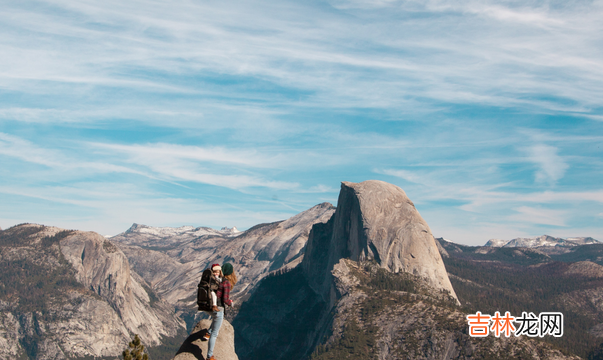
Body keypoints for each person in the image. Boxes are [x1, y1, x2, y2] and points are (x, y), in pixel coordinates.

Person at [203, 262, 237, 360]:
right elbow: (225, 300)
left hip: (209, 306)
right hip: (218, 308)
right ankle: (210, 356)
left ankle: (207, 333)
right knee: (215, 334)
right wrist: (231, 303)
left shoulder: (216, 279)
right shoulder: (226, 282)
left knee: (215, 319)